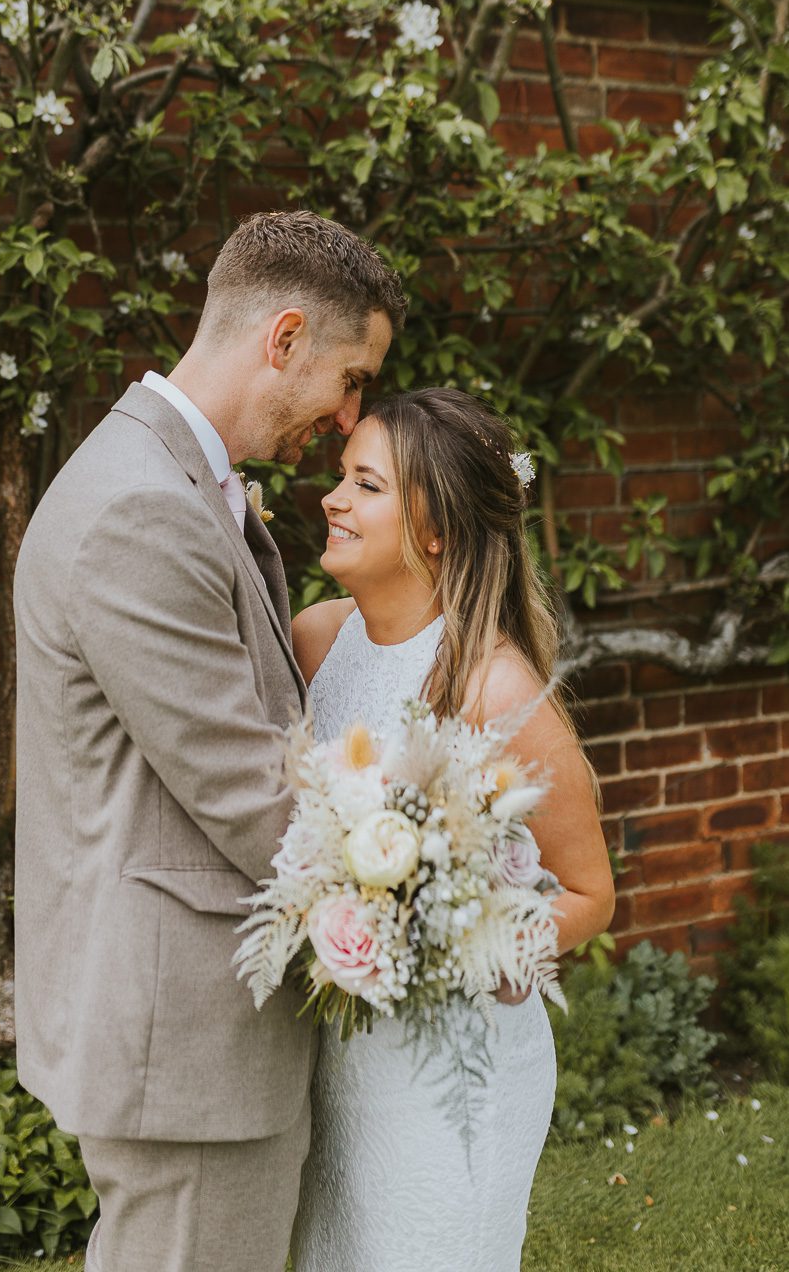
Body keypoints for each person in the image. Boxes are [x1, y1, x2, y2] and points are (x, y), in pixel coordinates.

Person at [13, 210, 405, 1272]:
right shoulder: (139, 509)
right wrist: (423, 896)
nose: (347, 415)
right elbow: (252, 796)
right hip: (184, 1039)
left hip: (188, 1029)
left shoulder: (169, 481)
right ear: (283, 338)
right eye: (351, 377)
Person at [288, 387, 615, 1272]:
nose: (332, 499)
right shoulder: (317, 641)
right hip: (339, 1055)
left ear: (434, 532)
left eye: (365, 484)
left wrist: (452, 940)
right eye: (341, 478)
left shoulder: (494, 690)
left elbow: (590, 895)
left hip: (454, 1075)